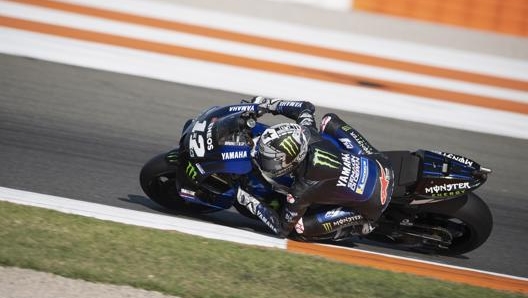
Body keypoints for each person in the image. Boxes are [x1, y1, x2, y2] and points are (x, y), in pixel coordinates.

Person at [236, 96, 394, 239]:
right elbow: (305, 107)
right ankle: (371, 155)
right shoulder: (308, 133)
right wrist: (267, 105)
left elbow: (282, 229)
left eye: (270, 160)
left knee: (299, 228)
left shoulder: (301, 190)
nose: (265, 161)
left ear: (291, 163)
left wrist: (248, 200)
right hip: (380, 164)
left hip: (374, 201)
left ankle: (360, 224)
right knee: (328, 120)